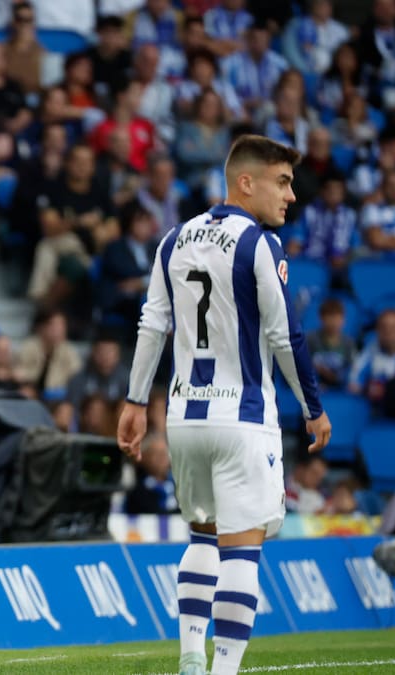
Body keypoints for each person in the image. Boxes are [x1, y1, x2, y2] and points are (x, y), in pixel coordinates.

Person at [116, 135, 331, 675]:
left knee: (201, 535)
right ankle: (223, 670)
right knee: (241, 550)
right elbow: (285, 336)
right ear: (246, 182)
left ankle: (191, 657)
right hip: (243, 419)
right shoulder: (259, 244)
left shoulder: (175, 238)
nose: (291, 196)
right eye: (282, 182)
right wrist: (313, 405)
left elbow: (152, 325)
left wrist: (136, 400)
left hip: (185, 420)